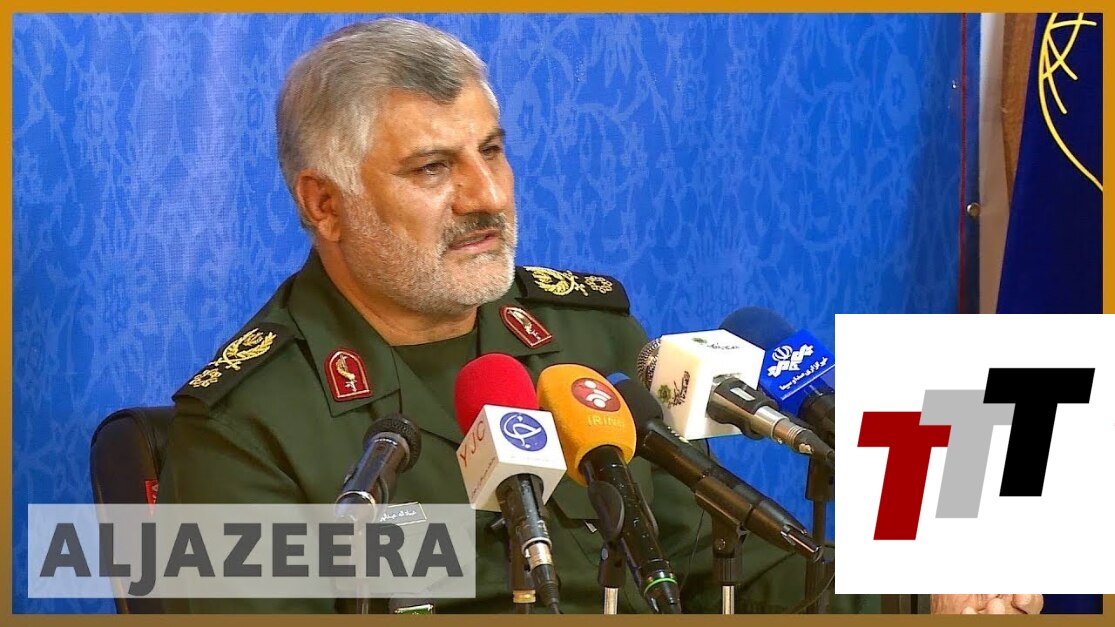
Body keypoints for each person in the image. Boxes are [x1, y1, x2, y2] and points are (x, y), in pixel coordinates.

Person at [158, 18, 1042, 615]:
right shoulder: (243, 428)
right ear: (324, 203)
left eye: (492, 150)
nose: (487, 195)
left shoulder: (588, 339)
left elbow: (723, 572)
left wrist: (921, 595)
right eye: (432, 168)